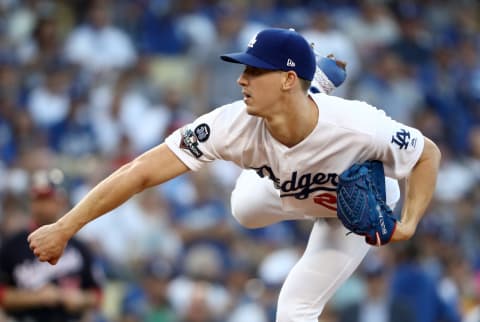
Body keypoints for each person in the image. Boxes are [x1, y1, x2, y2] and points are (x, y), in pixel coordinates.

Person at [27, 28, 441, 322]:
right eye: (244, 69)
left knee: (294, 310)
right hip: (280, 190)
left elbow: (428, 154)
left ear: (285, 79)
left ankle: (317, 83)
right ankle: (317, 81)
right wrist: (65, 227)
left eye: (255, 71)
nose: (241, 79)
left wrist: (407, 223)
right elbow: (140, 172)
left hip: (354, 207)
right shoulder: (230, 123)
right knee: (243, 208)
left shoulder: (359, 125)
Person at [0, 169, 104, 322]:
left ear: (61, 201)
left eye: (48, 199)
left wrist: (80, 299)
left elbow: (98, 295)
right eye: (38, 199)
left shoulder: (79, 246)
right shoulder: (12, 246)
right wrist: (35, 298)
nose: (43, 206)